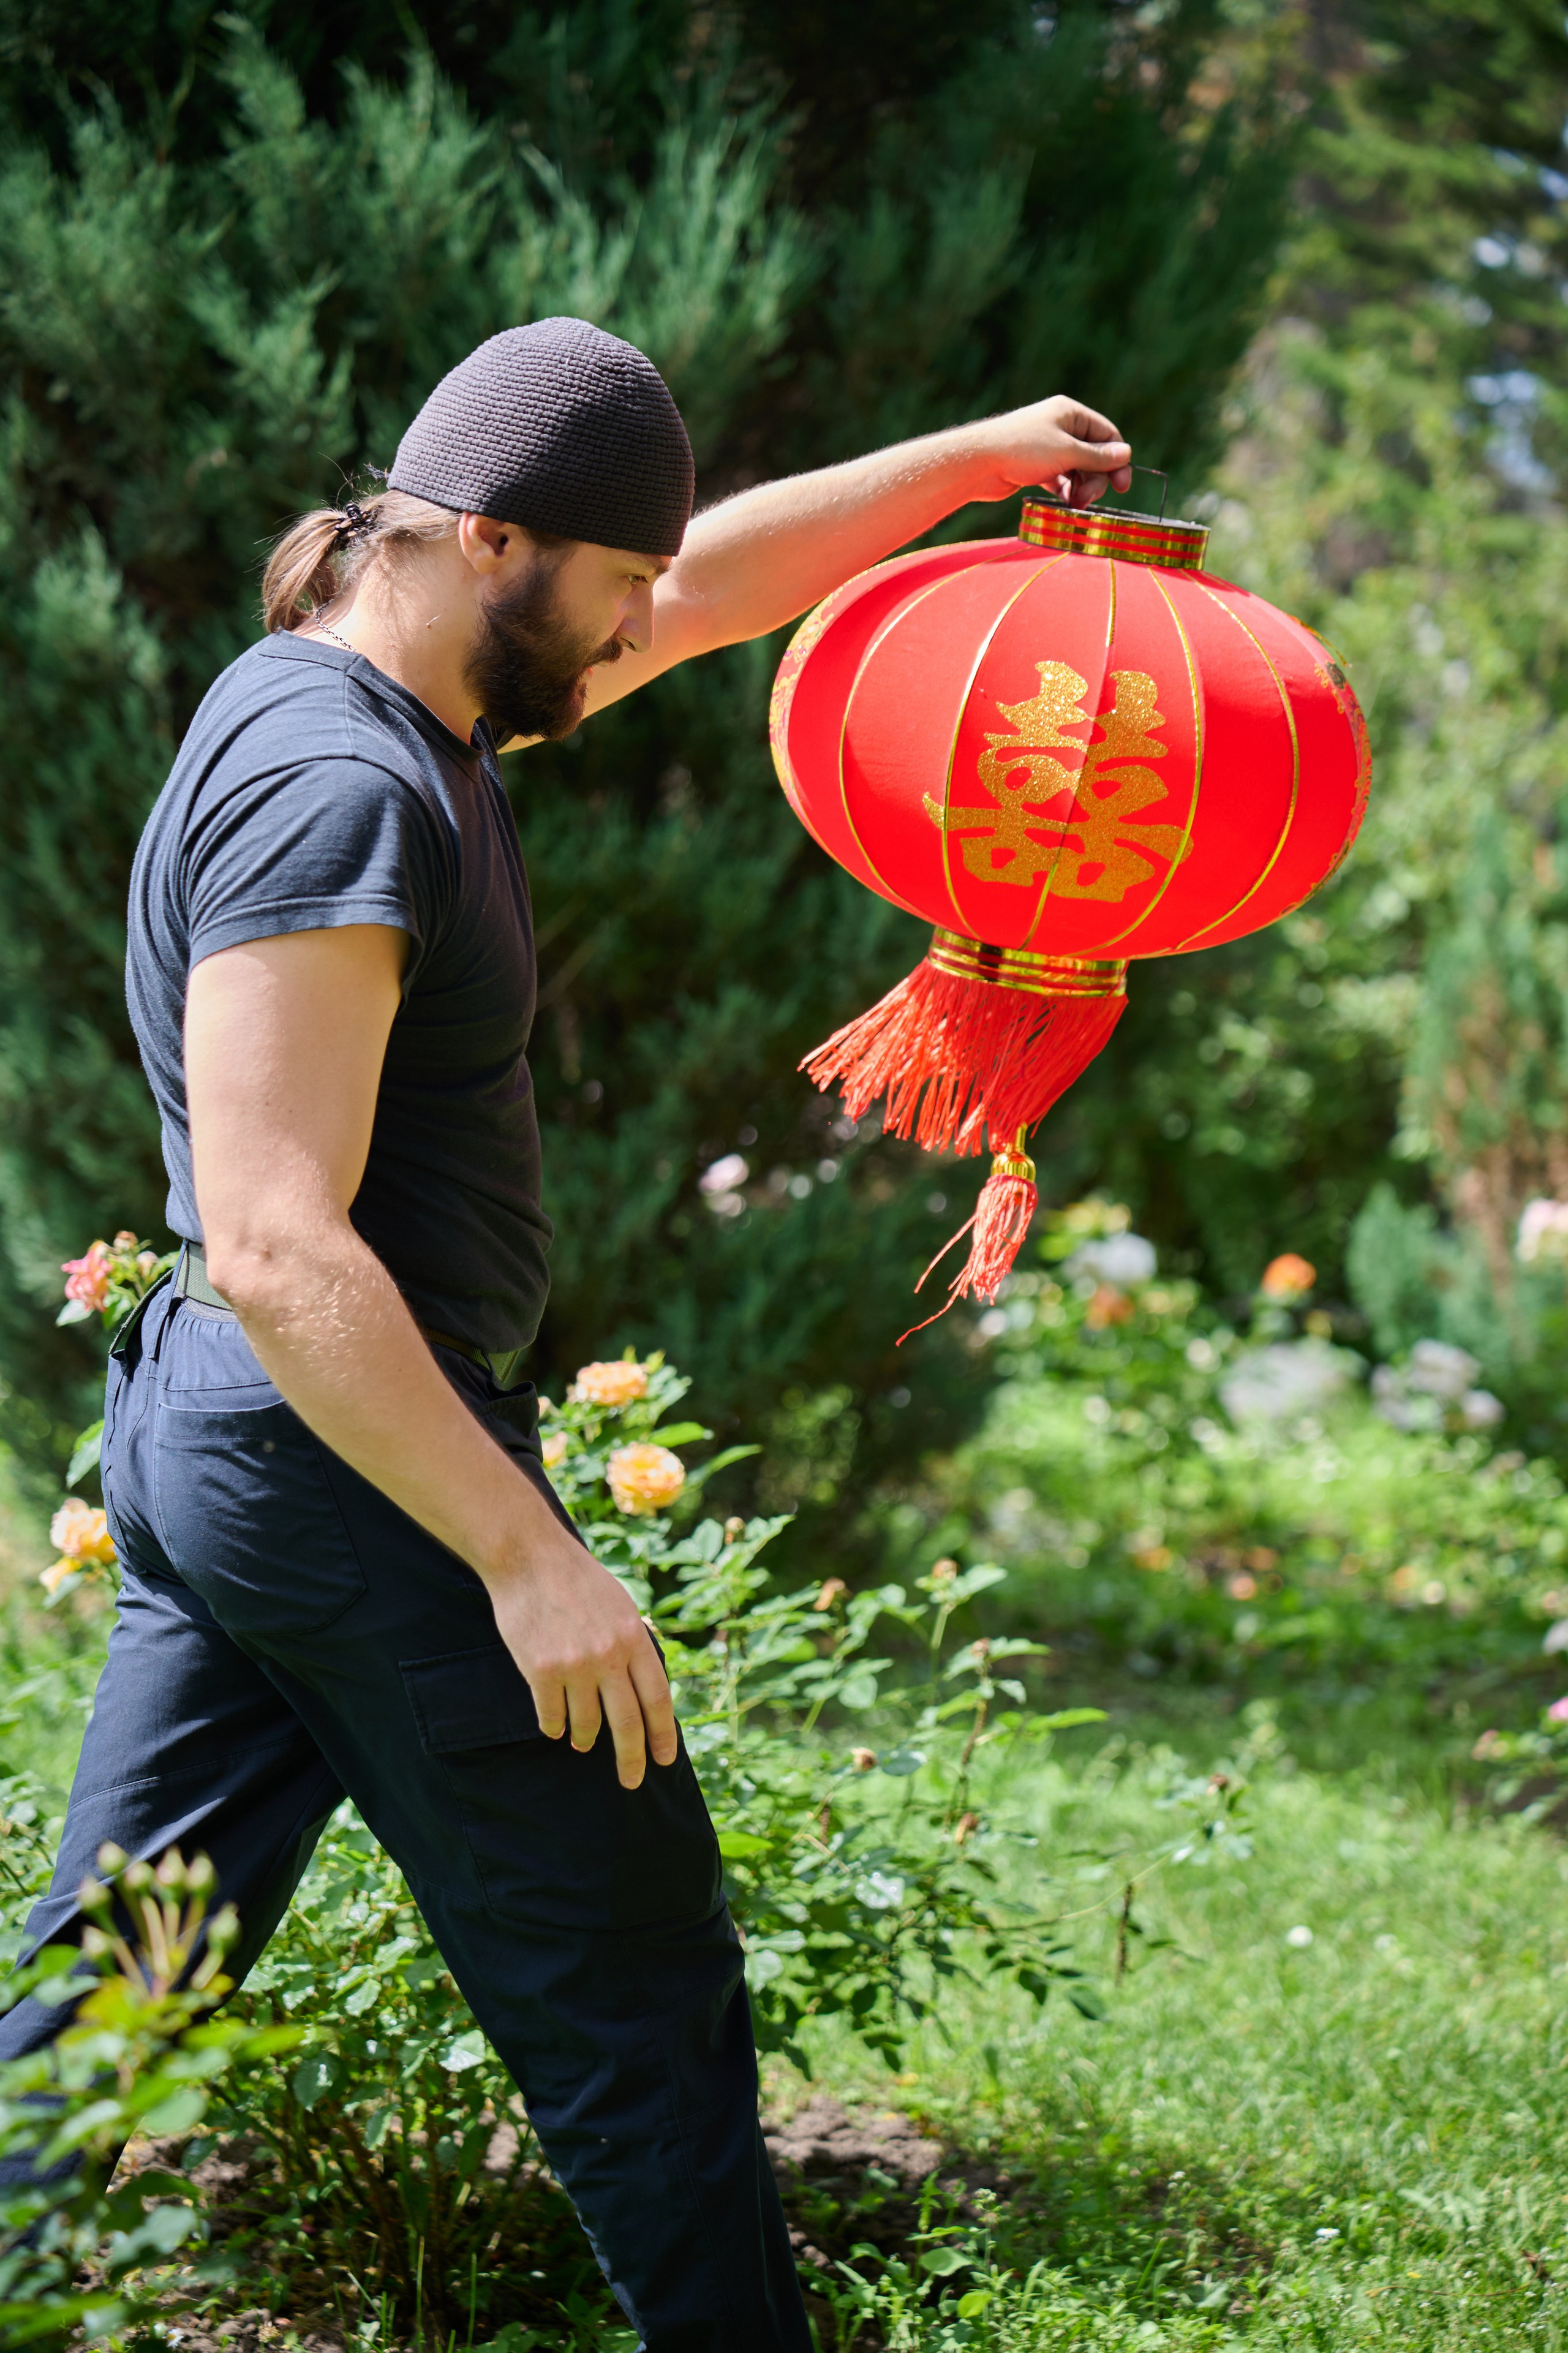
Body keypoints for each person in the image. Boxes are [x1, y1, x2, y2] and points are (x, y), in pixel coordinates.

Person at [0, 318, 1131, 2350]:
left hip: (253, 1451)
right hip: (349, 1455)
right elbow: (272, 1232)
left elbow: (701, 587)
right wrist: (531, 1553)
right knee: (634, 1984)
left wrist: (957, 462)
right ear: (484, 541)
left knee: (119, 1985)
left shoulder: (390, 684)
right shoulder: (339, 784)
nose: (634, 629)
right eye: (606, 589)